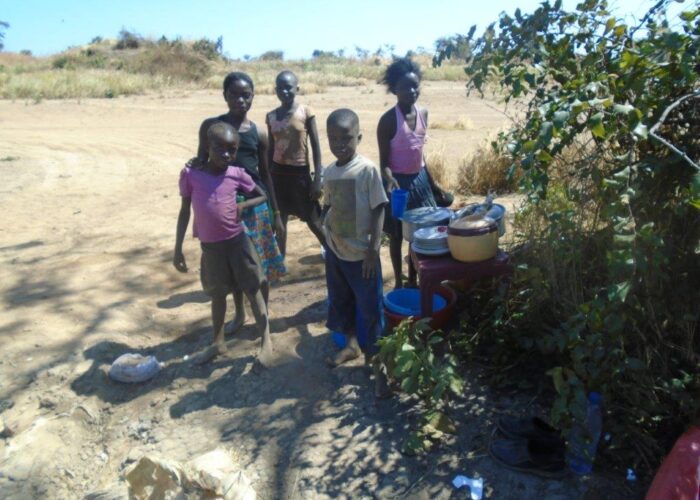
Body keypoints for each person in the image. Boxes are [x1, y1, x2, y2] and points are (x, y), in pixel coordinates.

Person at [174, 122, 272, 367]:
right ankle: (218, 343)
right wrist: (177, 248)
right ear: (208, 145)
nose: (227, 154)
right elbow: (185, 211)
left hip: (238, 244)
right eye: (220, 148)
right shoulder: (191, 175)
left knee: (253, 289)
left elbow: (262, 195)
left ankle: (266, 340)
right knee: (217, 295)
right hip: (211, 248)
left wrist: (244, 205)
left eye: (232, 149)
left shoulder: (236, 174)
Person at [195, 71, 286, 333]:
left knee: (260, 264)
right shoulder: (212, 128)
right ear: (224, 96)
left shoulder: (258, 133)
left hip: (254, 206)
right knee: (234, 268)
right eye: (234, 94)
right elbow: (201, 161)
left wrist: (276, 213)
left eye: (246, 95)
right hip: (225, 208)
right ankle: (240, 314)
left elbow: (266, 175)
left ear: (253, 97)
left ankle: (264, 318)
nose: (240, 100)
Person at [322, 108, 390, 397]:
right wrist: (327, 240)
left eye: (346, 138)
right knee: (342, 302)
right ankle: (351, 346)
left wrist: (374, 250)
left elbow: (378, 208)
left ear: (359, 137)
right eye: (333, 138)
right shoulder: (328, 171)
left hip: (362, 258)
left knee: (371, 310)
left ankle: (379, 367)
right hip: (337, 253)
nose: (339, 143)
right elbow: (329, 207)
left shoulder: (367, 170)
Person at [377, 57, 437, 289]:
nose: (412, 91)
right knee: (396, 235)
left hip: (419, 181)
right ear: (394, 90)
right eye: (405, 87)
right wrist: (389, 179)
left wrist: (433, 184)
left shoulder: (424, 114)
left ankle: (413, 277)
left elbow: (420, 155)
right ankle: (399, 281)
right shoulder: (388, 121)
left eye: (415, 86)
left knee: (419, 235)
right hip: (398, 185)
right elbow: (384, 163)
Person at [266, 70, 326, 256]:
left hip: (300, 174)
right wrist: (266, 177)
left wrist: (318, 178)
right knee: (280, 221)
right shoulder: (271, 116)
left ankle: (334, 256)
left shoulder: (306, 112)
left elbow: (315, 146)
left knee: (314, 220)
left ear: (297, 88)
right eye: (281, 88)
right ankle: (279, 263)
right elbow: (270, 149)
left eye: (289, 87)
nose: (285, 91)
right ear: (275, 90)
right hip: (278, 175)